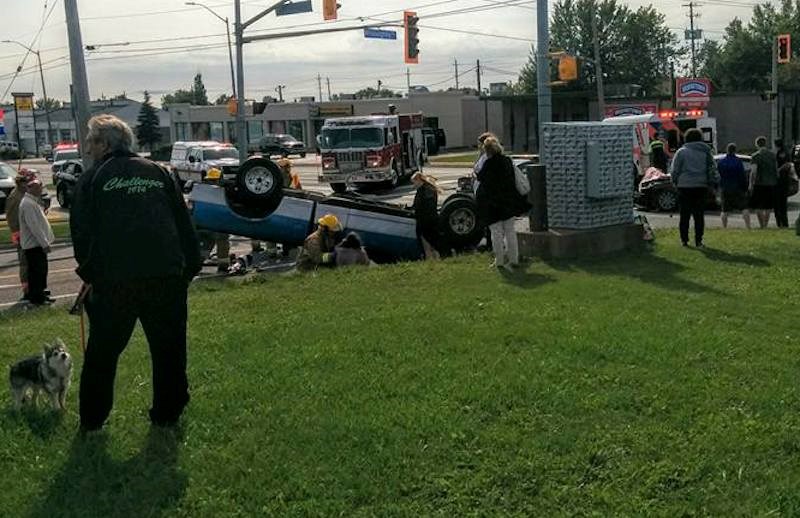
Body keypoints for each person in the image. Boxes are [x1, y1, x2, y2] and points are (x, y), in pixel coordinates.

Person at [70, 114, 202, 432]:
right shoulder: (158, 172)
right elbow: (184, 225)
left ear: (104, 143)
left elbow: (82, 234)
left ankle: (93, 419)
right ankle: (168, 412)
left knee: (102, 353)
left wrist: (92, 274)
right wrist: (187, 269)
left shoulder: (92, 179)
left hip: (115, 284)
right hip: (166, 279)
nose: (88, 147)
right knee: (169, 348)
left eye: (91, 141)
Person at [476, 136, 530, 270]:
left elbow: (480, 177)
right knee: (510, 232)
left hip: (493, 204)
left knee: (496, 233)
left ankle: (499, 260)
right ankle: (514, 259)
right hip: (508, 202)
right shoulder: (507, 161)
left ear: (487, 150)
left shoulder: (489, 164)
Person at [669, 128, 718, 247]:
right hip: (701, 185)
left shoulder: (681, 152)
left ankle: (684, 240)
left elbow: (675, 170)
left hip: (684, 185)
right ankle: (699, 240)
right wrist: (711, 184)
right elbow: (712, 169)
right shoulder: (706, 152)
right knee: (699, 215)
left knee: (684, 215)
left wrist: (674, 182)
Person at [18, 179, 54, 306]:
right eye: (38, 187)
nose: (41, 189)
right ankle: (37, 298)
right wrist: (44, 243)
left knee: (41, 271)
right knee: (36, 272)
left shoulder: (32, 202)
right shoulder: (27, 204)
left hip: (36, 244)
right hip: (34, 245)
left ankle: (41, 294)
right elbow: (34, 226)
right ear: (30, 188)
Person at [5, 171, 33, 301]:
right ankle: (27, 290)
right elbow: (11, 217)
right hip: (21, 234)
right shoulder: (14, 197)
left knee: (32, 262)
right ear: (20, 183)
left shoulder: (24, 194)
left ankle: (34, 287)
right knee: (24, 263)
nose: (28, 184)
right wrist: (17, 234)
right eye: (26, 181)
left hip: (28, 233)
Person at [717, 143, 751, 229]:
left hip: (725, 187)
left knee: (724, 209)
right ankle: (748, 226)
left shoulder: (721, 162)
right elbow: (742, 175)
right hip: (737, 187)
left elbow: (718, 175)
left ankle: (724, 227)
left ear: (727, 150)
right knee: (744, 207)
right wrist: (745, 187)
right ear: (735, 150)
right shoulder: (738, 161)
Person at [749, 136, 779, 229]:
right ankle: (765, 224)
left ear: (757, 144)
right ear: (765, 143)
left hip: (759, 183)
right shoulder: (772, 155)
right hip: (771, 183)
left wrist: (751, 184)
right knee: (768, 207)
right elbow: (776, 169)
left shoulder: (756, 156)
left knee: (758, 206)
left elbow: (754, 171)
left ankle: (761, 225)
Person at [411, 171, 442, 260]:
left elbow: (424, 205)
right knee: (432, 242)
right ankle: (435, 258)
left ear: (418, 180)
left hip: (425, 221)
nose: (414, 185)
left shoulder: (425, 191)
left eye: (414, 182)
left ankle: (430, 258)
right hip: (430, 220)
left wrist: (415, 210)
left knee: (427, 242)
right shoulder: (428, 190)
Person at [775, 160, 795, 228]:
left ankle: (783, 223)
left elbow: (789, 165)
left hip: (782, 184)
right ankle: (781, 223)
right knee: (779, 206)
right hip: (779, 183)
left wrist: (778, 170)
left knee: (781, 205)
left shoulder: (783, 153)